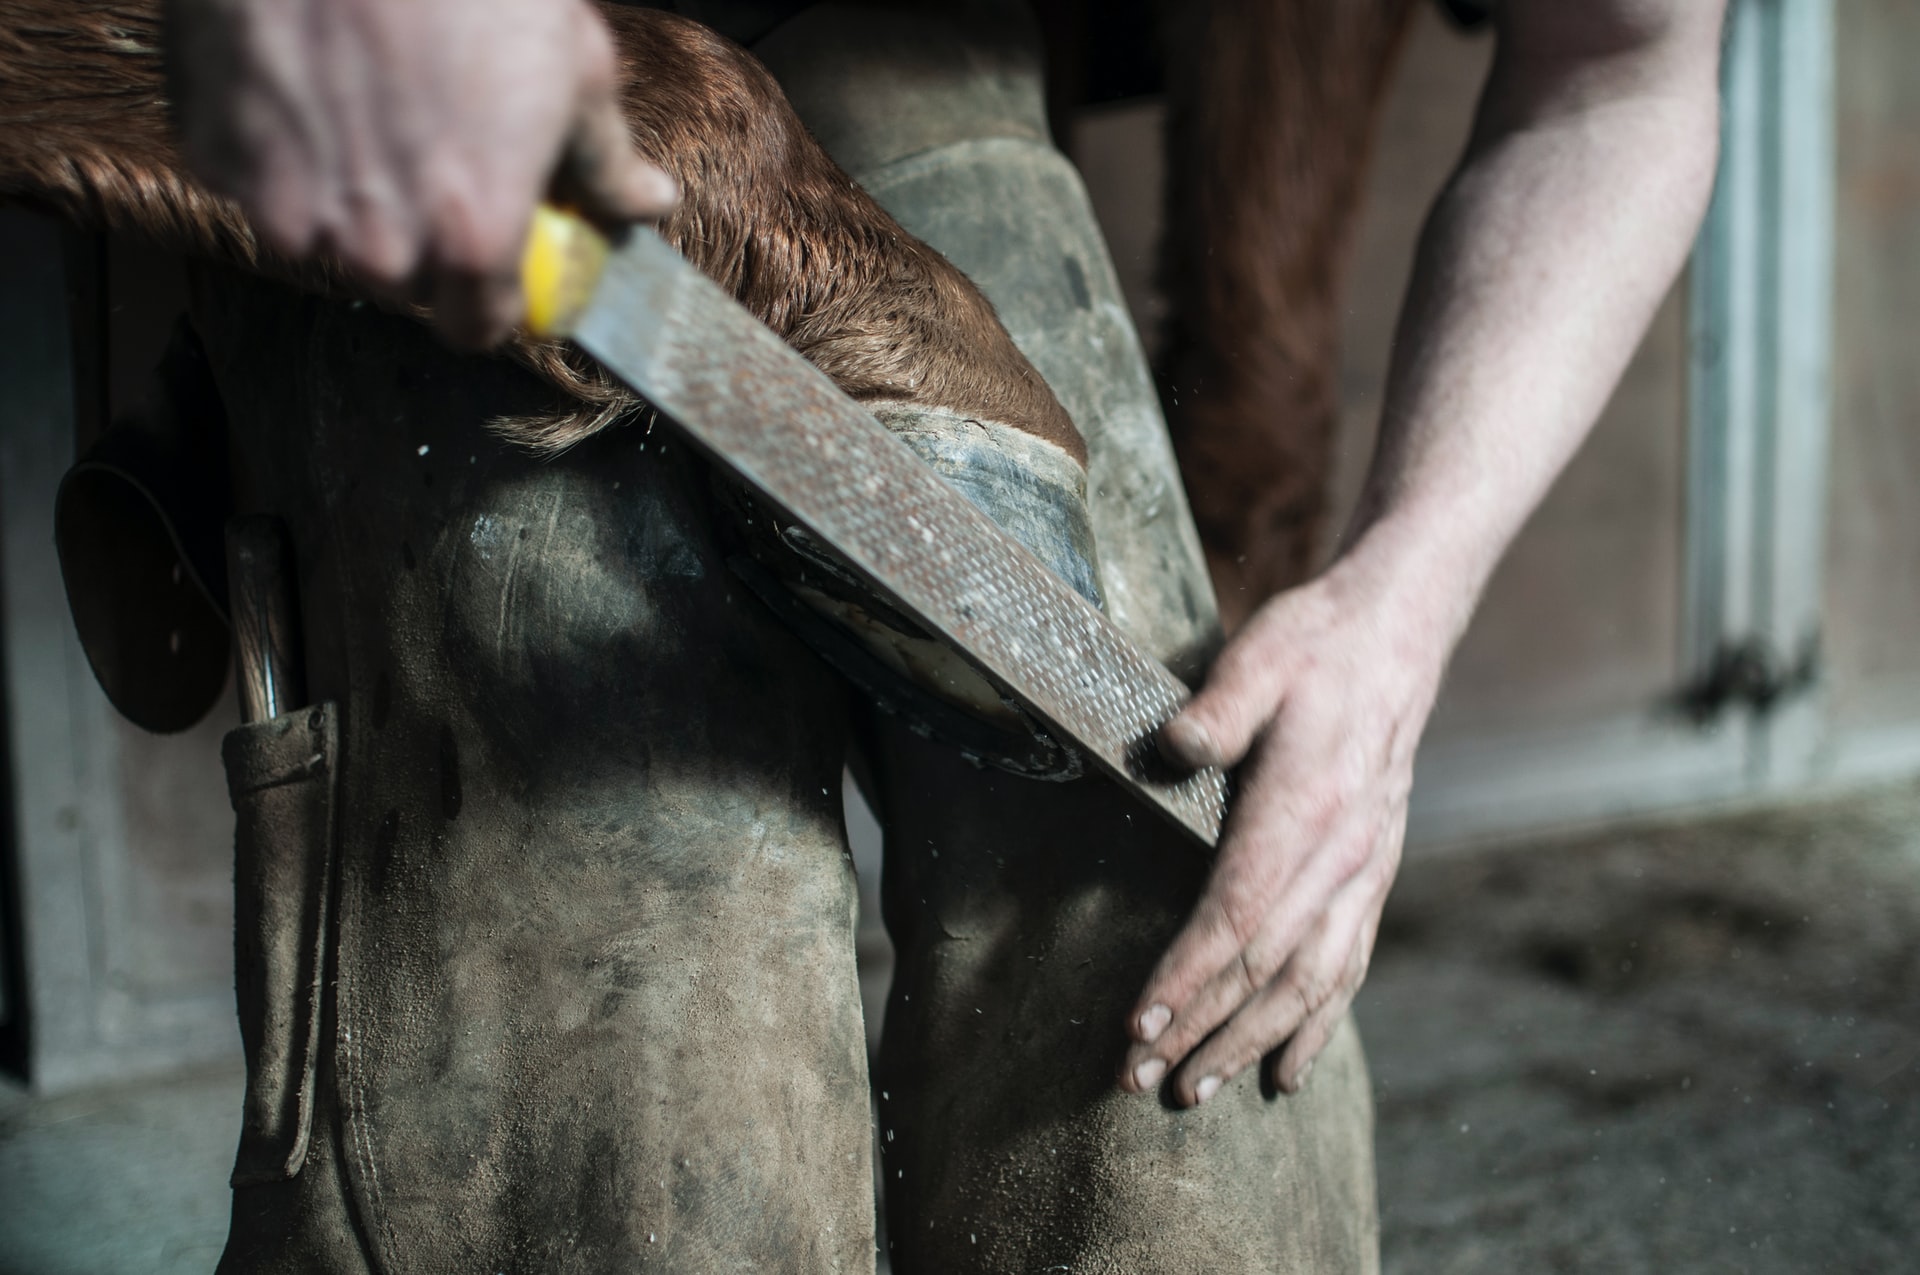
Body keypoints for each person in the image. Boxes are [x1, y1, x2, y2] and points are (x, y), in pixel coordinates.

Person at [146, 0, 1724, 1267]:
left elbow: (1620, 75)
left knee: (1183, 975)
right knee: (621, 1071)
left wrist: (1405, 598)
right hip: (429, 86)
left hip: (903, 42)